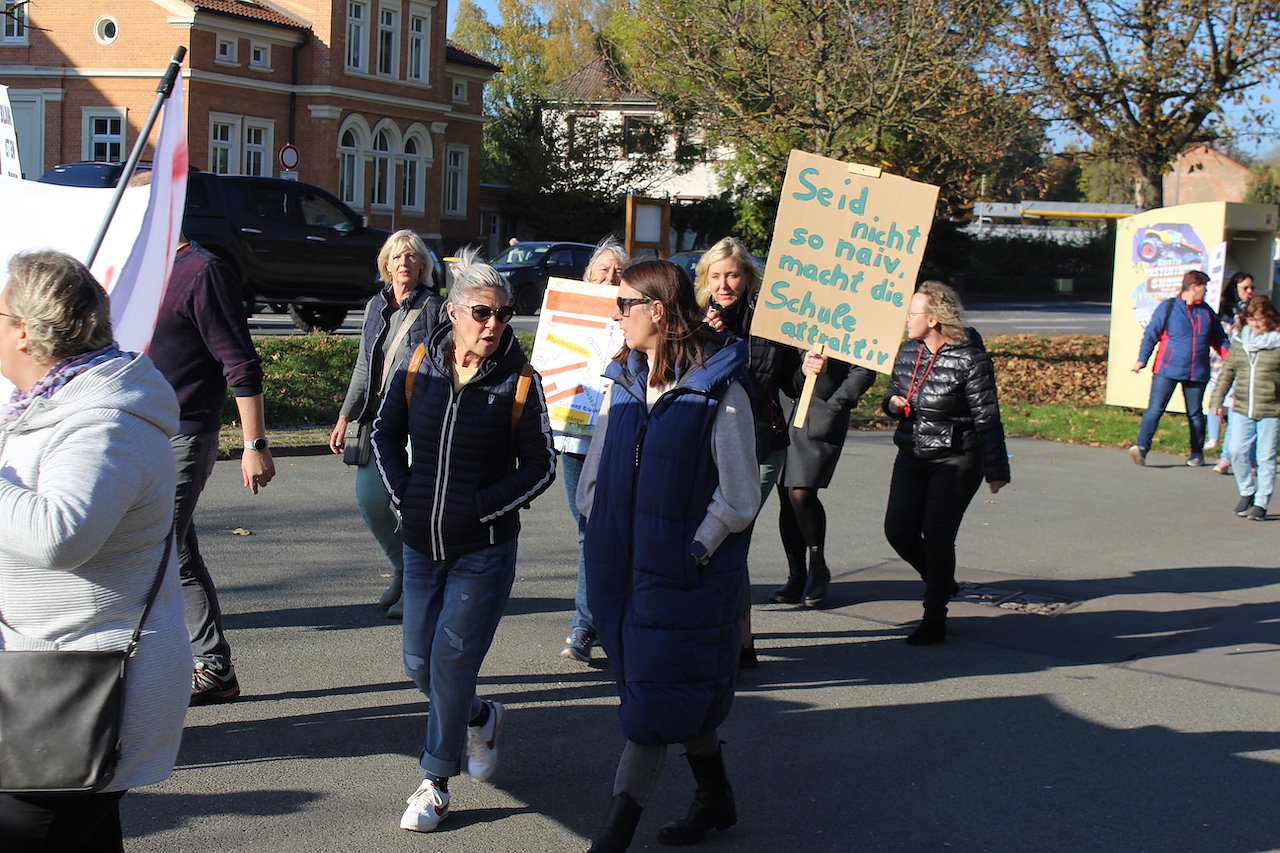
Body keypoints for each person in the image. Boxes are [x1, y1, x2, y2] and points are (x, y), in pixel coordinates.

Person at [0, 250, 190, 849]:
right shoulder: (46, 406)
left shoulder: (107, 422)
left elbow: (58, 534)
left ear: (24, 331)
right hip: (49, 678)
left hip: (85, 690)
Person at [372, 248, 556, 833]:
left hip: (484, 551)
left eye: (502, 313)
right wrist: (405, 496)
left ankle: (435, 781)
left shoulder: (520, 381)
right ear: (453, 312)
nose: (493, 324)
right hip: (421, 545)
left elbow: (542, 466)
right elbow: (383, 432)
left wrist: (480, 509)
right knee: (418, 664)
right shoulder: (419, 363)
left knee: (450, 662)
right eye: (482, 312)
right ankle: (480, 716)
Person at [579, 260, 760, 851]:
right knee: (666, 692)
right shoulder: (624, 380)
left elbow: (740, 495)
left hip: (682, 578)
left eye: (624, 304)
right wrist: (598, 523)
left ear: (657, 311)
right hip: (620, 573)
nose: (616, 315)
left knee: (651, 710)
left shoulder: (720, 391)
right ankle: (716, 796)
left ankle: (612, 837)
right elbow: (597, 469)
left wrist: (696, 549)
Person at [149, 236, 275, 704]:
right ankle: (215, 668)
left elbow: (240, 363)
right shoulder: (140, 267)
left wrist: (254, 444)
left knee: (152, 552)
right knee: (176, 553)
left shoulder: (203, 272)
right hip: (140, 433)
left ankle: (136, 674)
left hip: (184, 434)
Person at [883, 281, 1009, 645]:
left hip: (956, 457)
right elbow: (892, 395)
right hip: (912, 454)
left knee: (937, 536)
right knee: (898, 531)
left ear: (934, 318)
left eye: (912, 313)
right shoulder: (908, 352)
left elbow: (987, 416)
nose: (906, 320)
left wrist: (996, 468)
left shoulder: (970, 359)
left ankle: (934, 616)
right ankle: (941, 580)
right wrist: (892, 404)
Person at [696, 236, 802, 665]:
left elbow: (792, 383)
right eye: (716, 276)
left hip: (761, 443)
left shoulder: (771, 321)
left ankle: (739, 640)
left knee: (733, 535)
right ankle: (731, 636)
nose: (724, 285)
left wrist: (811, 367)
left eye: (733, 275)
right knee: (713, 540)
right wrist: (705, 336)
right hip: (707, 445)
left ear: (748, 277)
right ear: (705, 280)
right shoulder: (694, 320)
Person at [329, 230, 444, 619]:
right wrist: (345, 415)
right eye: (397, 257)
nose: (404, 263)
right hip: (377, 420)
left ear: (423, 265)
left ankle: (417, 584)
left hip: (418, 420)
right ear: (386, 265)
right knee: (371, 501)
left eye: (412, 256)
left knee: (413, 506)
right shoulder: (375, 306)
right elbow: (364, 365)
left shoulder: (435, 308)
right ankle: (402, 566)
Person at [558, 236, 629, 663]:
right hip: (576, 440)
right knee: (589, 529)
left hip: (620, 437)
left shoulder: (637, 320)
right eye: (603, 271)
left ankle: (586, 625)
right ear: (588, 278)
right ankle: (594, 621)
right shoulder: (568, 319)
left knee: (607, 531)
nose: (610, 278)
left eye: (619, 272)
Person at [772, 355, 876, 608]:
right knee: (786, 495)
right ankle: (797, 574)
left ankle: (818, 568)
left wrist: (836, 404)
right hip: (783, 411)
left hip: (821, 413)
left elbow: (864, 368)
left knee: (801, 493)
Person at [1129, 270, 1228, 468]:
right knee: (1155, 408)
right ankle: (1141, 448)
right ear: (1194, 287)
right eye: (1204, 288)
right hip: (1167, 369)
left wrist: (1232, 359)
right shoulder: (1168, 308)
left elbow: (1220, 340)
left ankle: (1197, 453)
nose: (1206, 292)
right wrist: (1142, 360)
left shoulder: (1206, 312)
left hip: (1197, 371)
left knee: (1195, 413)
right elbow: (1151, 334)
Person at [1210, 295, 1280, 521]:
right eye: (1251, 319)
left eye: (1259, 319)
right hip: (1241, 405)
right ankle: (1247, 491)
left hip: (1271, 409)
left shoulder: (1277, 343)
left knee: (1265, 457)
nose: (1255, 324)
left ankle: (1261, 502)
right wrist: (1216, 400)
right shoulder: (1241, 341)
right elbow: (1228, 372)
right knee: (1236, 450)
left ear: (1269, 318)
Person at [1209, 272, 1256, 474]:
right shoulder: (1225, 310)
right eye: (1245, 288)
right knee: (1222, 407)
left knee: (1238, 415)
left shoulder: (1254, 309)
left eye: (1251, 288)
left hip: (1246, 368)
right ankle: (1216, 443)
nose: (1249, 292)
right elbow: (1221, 337)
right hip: (1224, 365)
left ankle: (1238, 457)